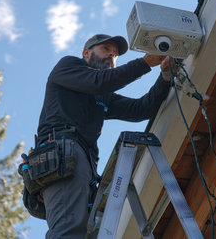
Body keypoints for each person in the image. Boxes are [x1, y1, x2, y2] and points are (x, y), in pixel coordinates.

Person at [36, 34, 172, 238]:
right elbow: (99, 82)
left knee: (84, 233)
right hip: (61, 154)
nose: (112, 54)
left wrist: (165, 77)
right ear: (86, 53)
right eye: (106, 49)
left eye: (116, 54)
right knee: (68, 230)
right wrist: (145, 63)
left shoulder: (102, 95)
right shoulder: (67, 66)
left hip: (83, 163)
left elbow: (140, 110)